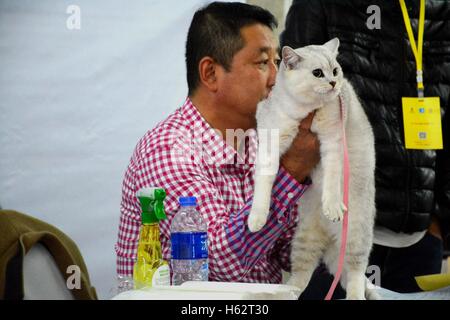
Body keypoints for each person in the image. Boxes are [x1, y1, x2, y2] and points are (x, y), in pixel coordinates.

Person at [115, 2, 322, 288]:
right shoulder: (169, 148)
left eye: (277, 63)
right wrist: (293, 170)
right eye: (263, 63)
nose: (278, 79)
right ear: (211, 73)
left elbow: (294, 255)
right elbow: (218, 264)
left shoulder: (259, 142)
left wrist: (323, 173)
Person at [280, 0, 450, 293]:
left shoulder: (439, 8)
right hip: (335, 227)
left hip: (418, 234)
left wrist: (441, 221)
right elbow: (290, 94)